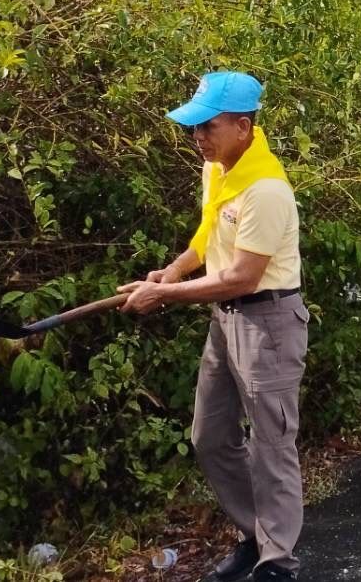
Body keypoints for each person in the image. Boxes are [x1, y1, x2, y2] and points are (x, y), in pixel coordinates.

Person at [117, 71, 306, 582]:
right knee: (210, 435)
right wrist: (171, 271)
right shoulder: (220, 169)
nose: (197, 137)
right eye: (193, 128)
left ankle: (278, 562)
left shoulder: (266, 189)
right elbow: (206, 236)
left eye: (207, 126)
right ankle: (255, 534)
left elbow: (243, 277)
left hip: (268, 319)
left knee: (272, 445)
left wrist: (165, 295)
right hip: (225, 322)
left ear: (243, 126)